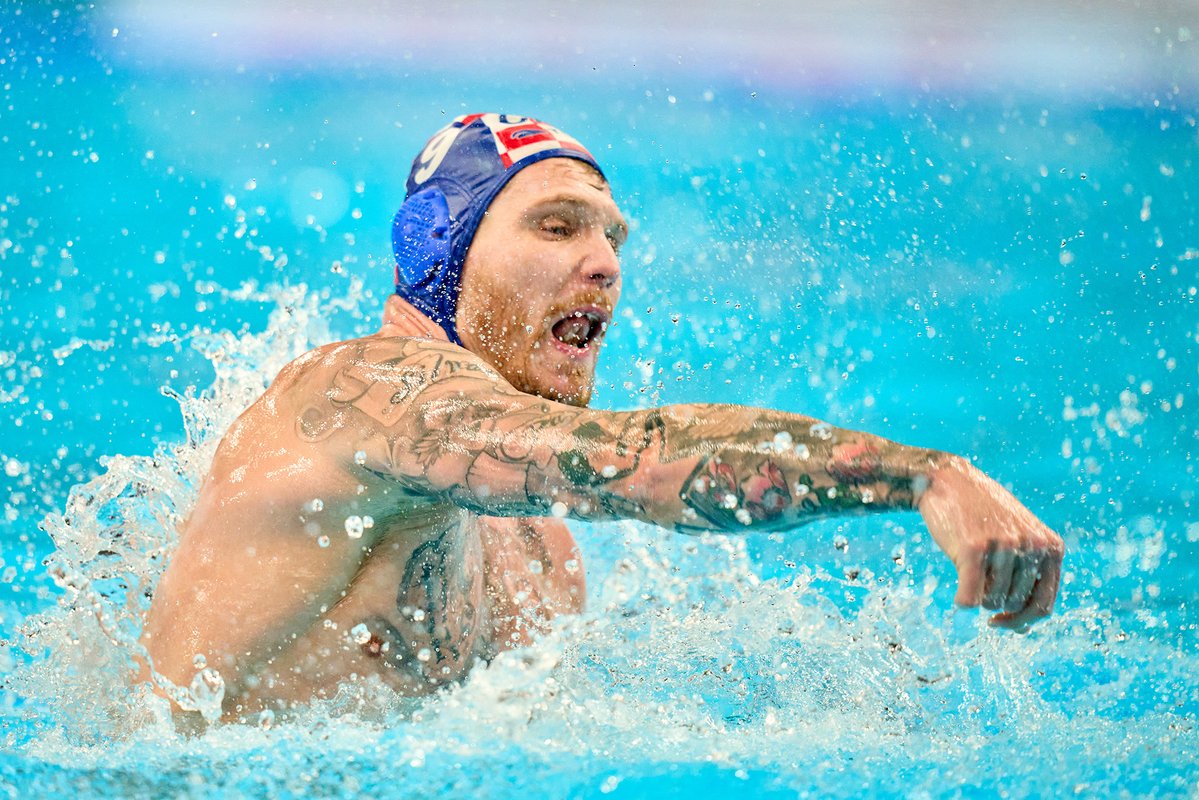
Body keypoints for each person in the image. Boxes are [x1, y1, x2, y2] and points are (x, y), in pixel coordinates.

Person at [140, 113, 1064, 724]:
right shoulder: (362, 396)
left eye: (612, 236)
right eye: (557, 226)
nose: (606, 263)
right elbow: (643, 460)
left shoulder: (534, 546)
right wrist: (924, 475)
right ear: (438, 252)